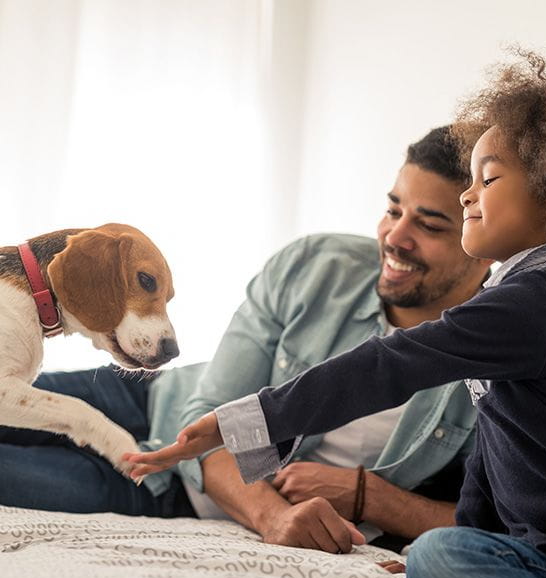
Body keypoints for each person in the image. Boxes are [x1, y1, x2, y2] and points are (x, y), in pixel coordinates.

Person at [126, 50, 546, 578]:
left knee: (441, 559)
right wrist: (471, 537)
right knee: (435, 555)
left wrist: (250, 422)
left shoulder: (542, 301)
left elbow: (389, 364)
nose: (469, 193)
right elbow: (496, 450)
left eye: (487, 180)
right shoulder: (518, 294)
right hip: (541, 554)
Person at [0, 126, 491, 554]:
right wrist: (272, 516)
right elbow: (207, 407)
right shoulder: (314, 265)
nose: (394, 237)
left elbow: (504, 523)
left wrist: (373, 499)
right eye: (393, 209)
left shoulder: (503, 354)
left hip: (164, 492)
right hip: (150, 399)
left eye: (428, 225)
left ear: (483, 241)